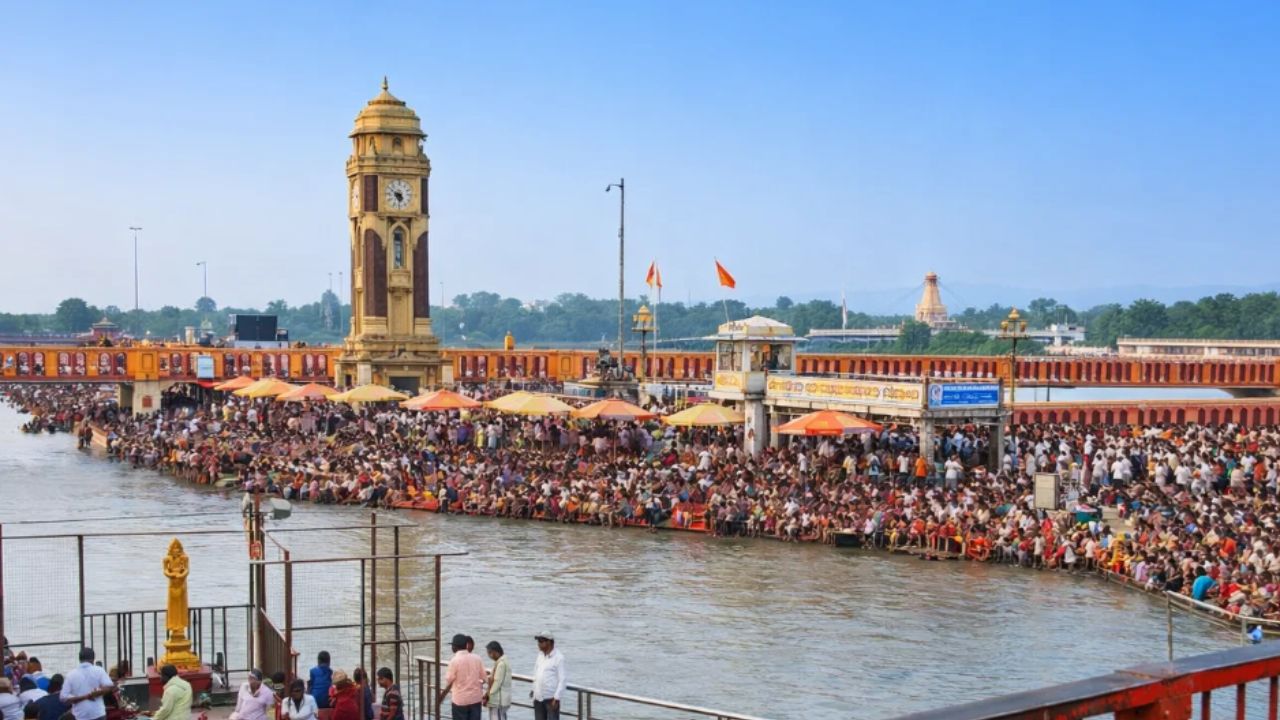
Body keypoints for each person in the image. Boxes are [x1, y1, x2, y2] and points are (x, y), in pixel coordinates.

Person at [437, 634, 484, 720]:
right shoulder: (477, 658)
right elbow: (483, 677)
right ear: (466, 645)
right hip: (475, 699)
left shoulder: (454, 661)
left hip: (460, 700)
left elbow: (449, 679)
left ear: (455, 647)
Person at [60, 648, 114, 720]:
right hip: (98, 713)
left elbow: (63, 697)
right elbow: (109, 686)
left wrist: (83, 697)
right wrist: (95, 693)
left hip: (80, 715)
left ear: (79, 659)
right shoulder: (99, 670)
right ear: (93, 659)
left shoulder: (70, 675)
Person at [530, 633, 565, 720]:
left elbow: (563, 680)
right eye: (538, 642)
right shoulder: (540, 655)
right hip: (538, 697)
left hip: (551, 699)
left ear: (549, 642)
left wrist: (556, 698)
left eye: (541, 641)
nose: (538, 644)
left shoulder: (559, 658)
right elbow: (536, 673)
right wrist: (533, 690)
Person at [483, 642, 511, 720]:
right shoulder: (502, 662)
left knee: (497, 717)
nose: (489, 656)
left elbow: (497, 683)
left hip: (498, 700)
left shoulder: (501, 664)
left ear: (495, 652)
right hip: (501, 699)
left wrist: (488, 695)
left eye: (489, 653)